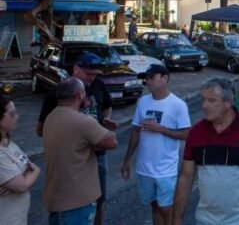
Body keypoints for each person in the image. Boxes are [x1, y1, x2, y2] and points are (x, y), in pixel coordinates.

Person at [173, 78, 239, 225]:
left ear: (228, 103)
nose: (204, 105)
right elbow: (186, 177)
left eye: (211, 100)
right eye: (203, 99)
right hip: (205, 220)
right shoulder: (196, 133)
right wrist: (177, 219)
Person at [38, 52, 117, 225]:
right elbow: (41, 128)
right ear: (76, 69)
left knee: (98, 198)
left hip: (98, 153)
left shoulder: (98, 85)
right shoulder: (59, 92)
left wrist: (105, 120)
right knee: (72, 200)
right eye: (88, 73)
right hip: (71, 158)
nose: (92, 78)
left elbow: (107, 106)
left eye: (95, 74)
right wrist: (74, 135)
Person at [121, 64, 191, 225]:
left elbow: (187, 134)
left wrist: (161, 129)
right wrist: (127, 160)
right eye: (146, 78)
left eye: (151, 77)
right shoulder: (143, 102)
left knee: (167, 209)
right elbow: (136, 131)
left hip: (165, 169)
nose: (148, 81)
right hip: (144, 168)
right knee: (154, 205)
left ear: (165, 78)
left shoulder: (178, 105)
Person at [0, 96, 41, 225]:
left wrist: (22, 176)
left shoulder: (8, 143)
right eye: (12, 114)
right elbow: (21, 186)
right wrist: (34, 171)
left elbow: (27, 167)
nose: (17, 117)